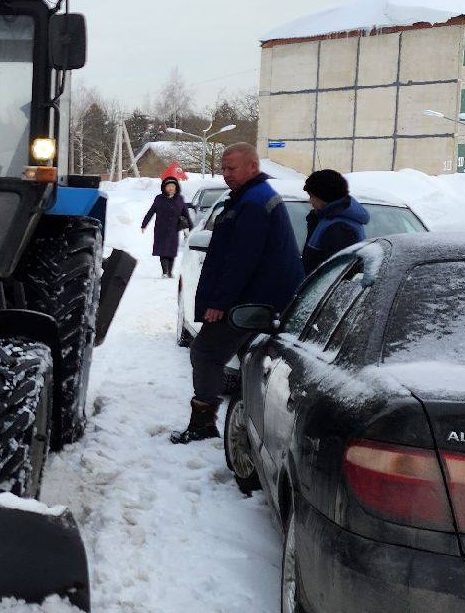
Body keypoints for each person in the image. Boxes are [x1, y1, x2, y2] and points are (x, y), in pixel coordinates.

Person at [171, 143, 303, 444]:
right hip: (258, 298)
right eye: (223, 168)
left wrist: (220, 302)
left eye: (232, 168)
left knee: (205, 353)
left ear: (253, 167)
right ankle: (248, 424)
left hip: (253, 301)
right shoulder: (250, 198)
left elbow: (242, 258)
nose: (226, 174)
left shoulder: (254, 203)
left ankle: (204, 423)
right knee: (249, 362)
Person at [300, 168, 370, 273]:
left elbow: (337, 274)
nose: (310, 201)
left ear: (324, 196)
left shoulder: (340, 229)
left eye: (312, 196)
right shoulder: (327, 220)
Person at [141, 176, 193, 277]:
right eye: (168, 186)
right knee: (163, 250)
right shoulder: (159, 199)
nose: (170, 188)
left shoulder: (180, 199)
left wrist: (191, 228)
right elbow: (151, 212)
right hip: (161, 229)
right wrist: (144, 224)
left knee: (172, 251)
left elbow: (185, 214)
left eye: (172, 186)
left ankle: (170, 272)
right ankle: (165, 272)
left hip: (174, 230)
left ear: (176, 187)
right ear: (164, 188)